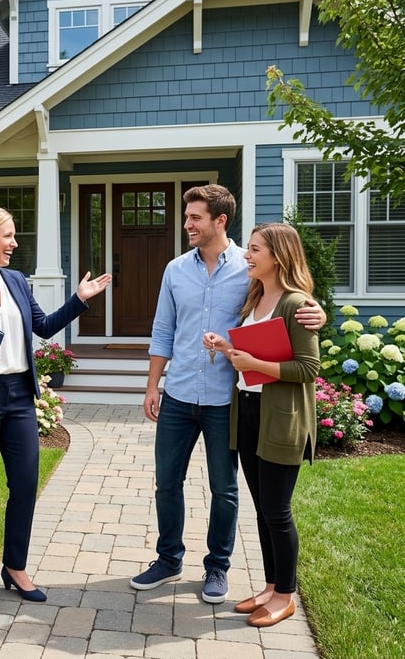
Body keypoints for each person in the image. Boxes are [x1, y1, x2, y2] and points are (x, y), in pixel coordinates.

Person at [131, 184, 324, 605]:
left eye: (195, 217)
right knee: (167, 482)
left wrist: (317, 310)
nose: (187, 225)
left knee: (225, 487)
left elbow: (287, 301)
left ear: (220, 220)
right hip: (179, 392)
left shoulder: (251, 266)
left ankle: (218, 565)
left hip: (227, 400)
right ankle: (168, 559)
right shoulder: (174, 270)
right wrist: (152, 385)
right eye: (187, 217)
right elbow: (163, 330)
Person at [0, 205, 111, 614]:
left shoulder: (15, 280)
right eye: (7, 236)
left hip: (18, 397)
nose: (14, 243)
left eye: (13, 236)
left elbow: (42, 326)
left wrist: (79, 299)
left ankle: (15, 566)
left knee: (25, 484)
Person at [202, 222, 320, 627]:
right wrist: (229, 348)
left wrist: (253, 363)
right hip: (249, 415)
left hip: (281, 421)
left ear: (278, 255)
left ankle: (286, 596)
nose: (247, 256)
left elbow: (307, 368)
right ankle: (271, 586)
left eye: (254, 250)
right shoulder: (256, 297)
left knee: (278, 511)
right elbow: (255, 353)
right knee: (263, 511)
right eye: (248, 248)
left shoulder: (296, 303)